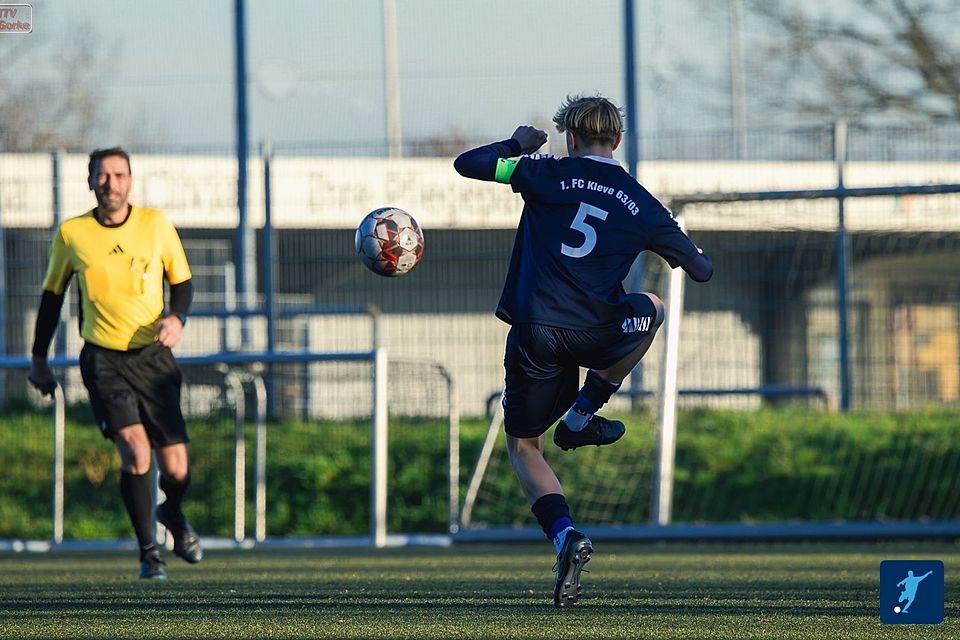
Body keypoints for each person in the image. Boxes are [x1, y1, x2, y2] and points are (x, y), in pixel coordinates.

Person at [454, 95, 713, 606]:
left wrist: (516, 144)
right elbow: (701, 270)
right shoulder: (641, 201)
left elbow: (468, 164)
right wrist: (669, 238)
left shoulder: (544, 172)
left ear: (570, 137)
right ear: (616, 140)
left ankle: (565, 535)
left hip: (536, 333)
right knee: (654, 307)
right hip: (598, 332)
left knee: (525, 447)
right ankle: (582, 413)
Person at [28, 147, 202, 580]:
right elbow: (52, 299)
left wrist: (177, 319)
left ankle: (172, 514)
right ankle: (149, 554)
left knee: (177, 468)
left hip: (154, 358)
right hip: (104, 360)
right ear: (90, 182)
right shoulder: (73, 234)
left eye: (119, 175)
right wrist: (39, 359)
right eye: (102, 175)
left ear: (131, 180)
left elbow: (181, 283)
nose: (111, 183)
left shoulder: (155, 225)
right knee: (136, 451)